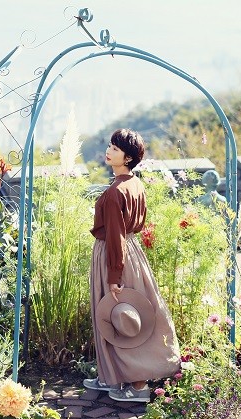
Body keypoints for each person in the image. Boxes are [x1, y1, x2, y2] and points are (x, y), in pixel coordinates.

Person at [82, 128, 181, 402]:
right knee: (128, 313)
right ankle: (111, 377)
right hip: (132, 253)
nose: (109, 150)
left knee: (119, 317)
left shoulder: (116, 192)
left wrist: (113, 275)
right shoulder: (134, 184)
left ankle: (137, 387)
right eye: (111, 146)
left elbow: (114, 235)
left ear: (127, 158)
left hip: (116, 256)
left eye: (115, 148)